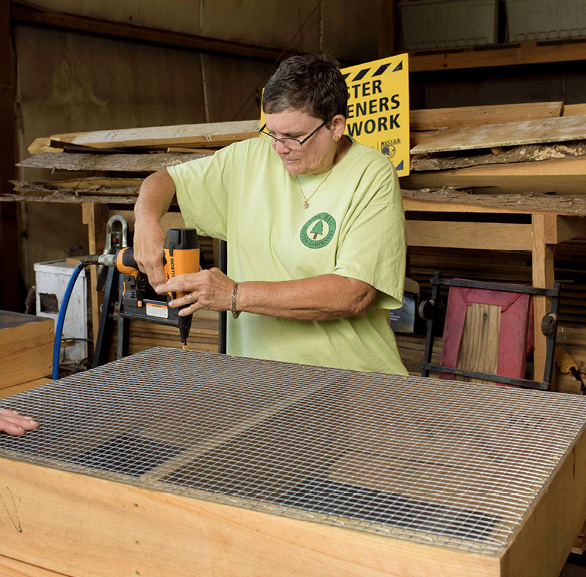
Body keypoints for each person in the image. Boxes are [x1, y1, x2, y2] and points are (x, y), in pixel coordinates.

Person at [134, 52, 407, 374]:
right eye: (273, 133)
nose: (279, 148)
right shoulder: (249, 158)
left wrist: (233, 294)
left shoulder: (370, 173)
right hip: (261, 379)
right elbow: (163, 180)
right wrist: (147, 223)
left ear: (336, 126)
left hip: (349, 380)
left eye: (293, 137)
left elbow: (353, 294)